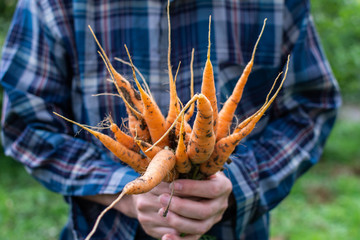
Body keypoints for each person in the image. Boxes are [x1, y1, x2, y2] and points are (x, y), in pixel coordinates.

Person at [0, 0, 341, 239]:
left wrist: (236, 184)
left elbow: (312, 106)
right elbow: (26, 126)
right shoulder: (53, 3)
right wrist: (125, 191)